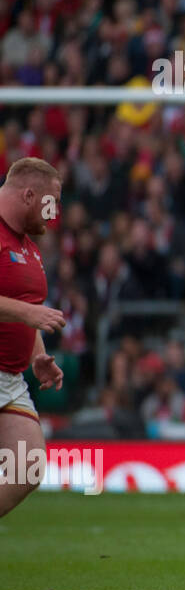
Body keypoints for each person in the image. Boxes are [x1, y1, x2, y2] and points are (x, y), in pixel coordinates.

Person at [0, 158, 66, 519]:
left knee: (27, 467)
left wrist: (37, 353)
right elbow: (27, 311)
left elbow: (27, 306)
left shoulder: (28, 247)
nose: (54, 213)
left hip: (9, 379)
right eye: (50, 202)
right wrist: (29, 315)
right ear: (29, 194)